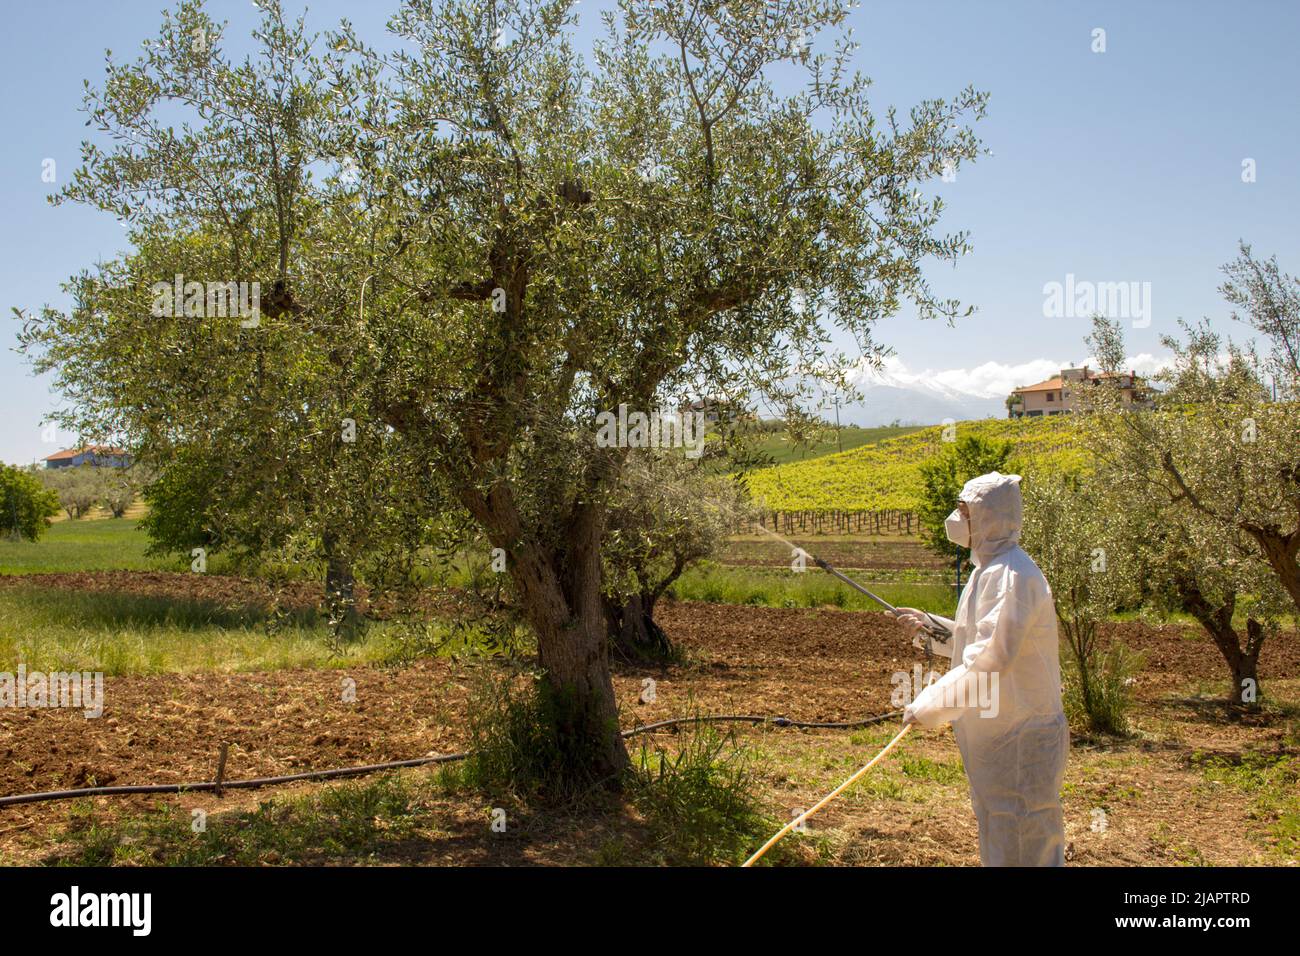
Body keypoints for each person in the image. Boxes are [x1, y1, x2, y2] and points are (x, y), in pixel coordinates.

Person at [894, 471, 1069, 867]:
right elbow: (976, 638)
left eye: (963, 510)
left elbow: (991, 660)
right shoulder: (988, 572)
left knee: (1024, 839)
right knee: (1004, 834)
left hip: (1020, 737)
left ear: (987, 516)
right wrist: (930, 629)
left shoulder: (1011, 577)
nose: (956, 520)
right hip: (1002, 736)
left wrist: (929, 707)